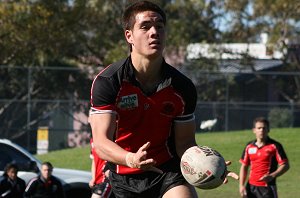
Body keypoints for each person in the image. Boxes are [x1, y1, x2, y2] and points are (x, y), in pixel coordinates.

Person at [89, 1, 238, 197]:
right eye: (145, 26)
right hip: (123, 177)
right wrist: (131, 159)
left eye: (159, 26)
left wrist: (208, 165)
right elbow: (101, 143)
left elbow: (184, 143)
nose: (154, 32)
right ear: (129, 36)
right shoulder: (108, 82)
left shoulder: (183, 87)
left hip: (168, 173)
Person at [239, 117, 290, 198]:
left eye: (264, 128)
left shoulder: (275, 146)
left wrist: (272, 176)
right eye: (259, 128)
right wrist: (241, 185)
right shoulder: (249, 146)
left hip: (267, 188)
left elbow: (285, 165)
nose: (261, 130)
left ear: (268, 130)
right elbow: (244, 166)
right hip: (250, 187)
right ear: (254, 130)